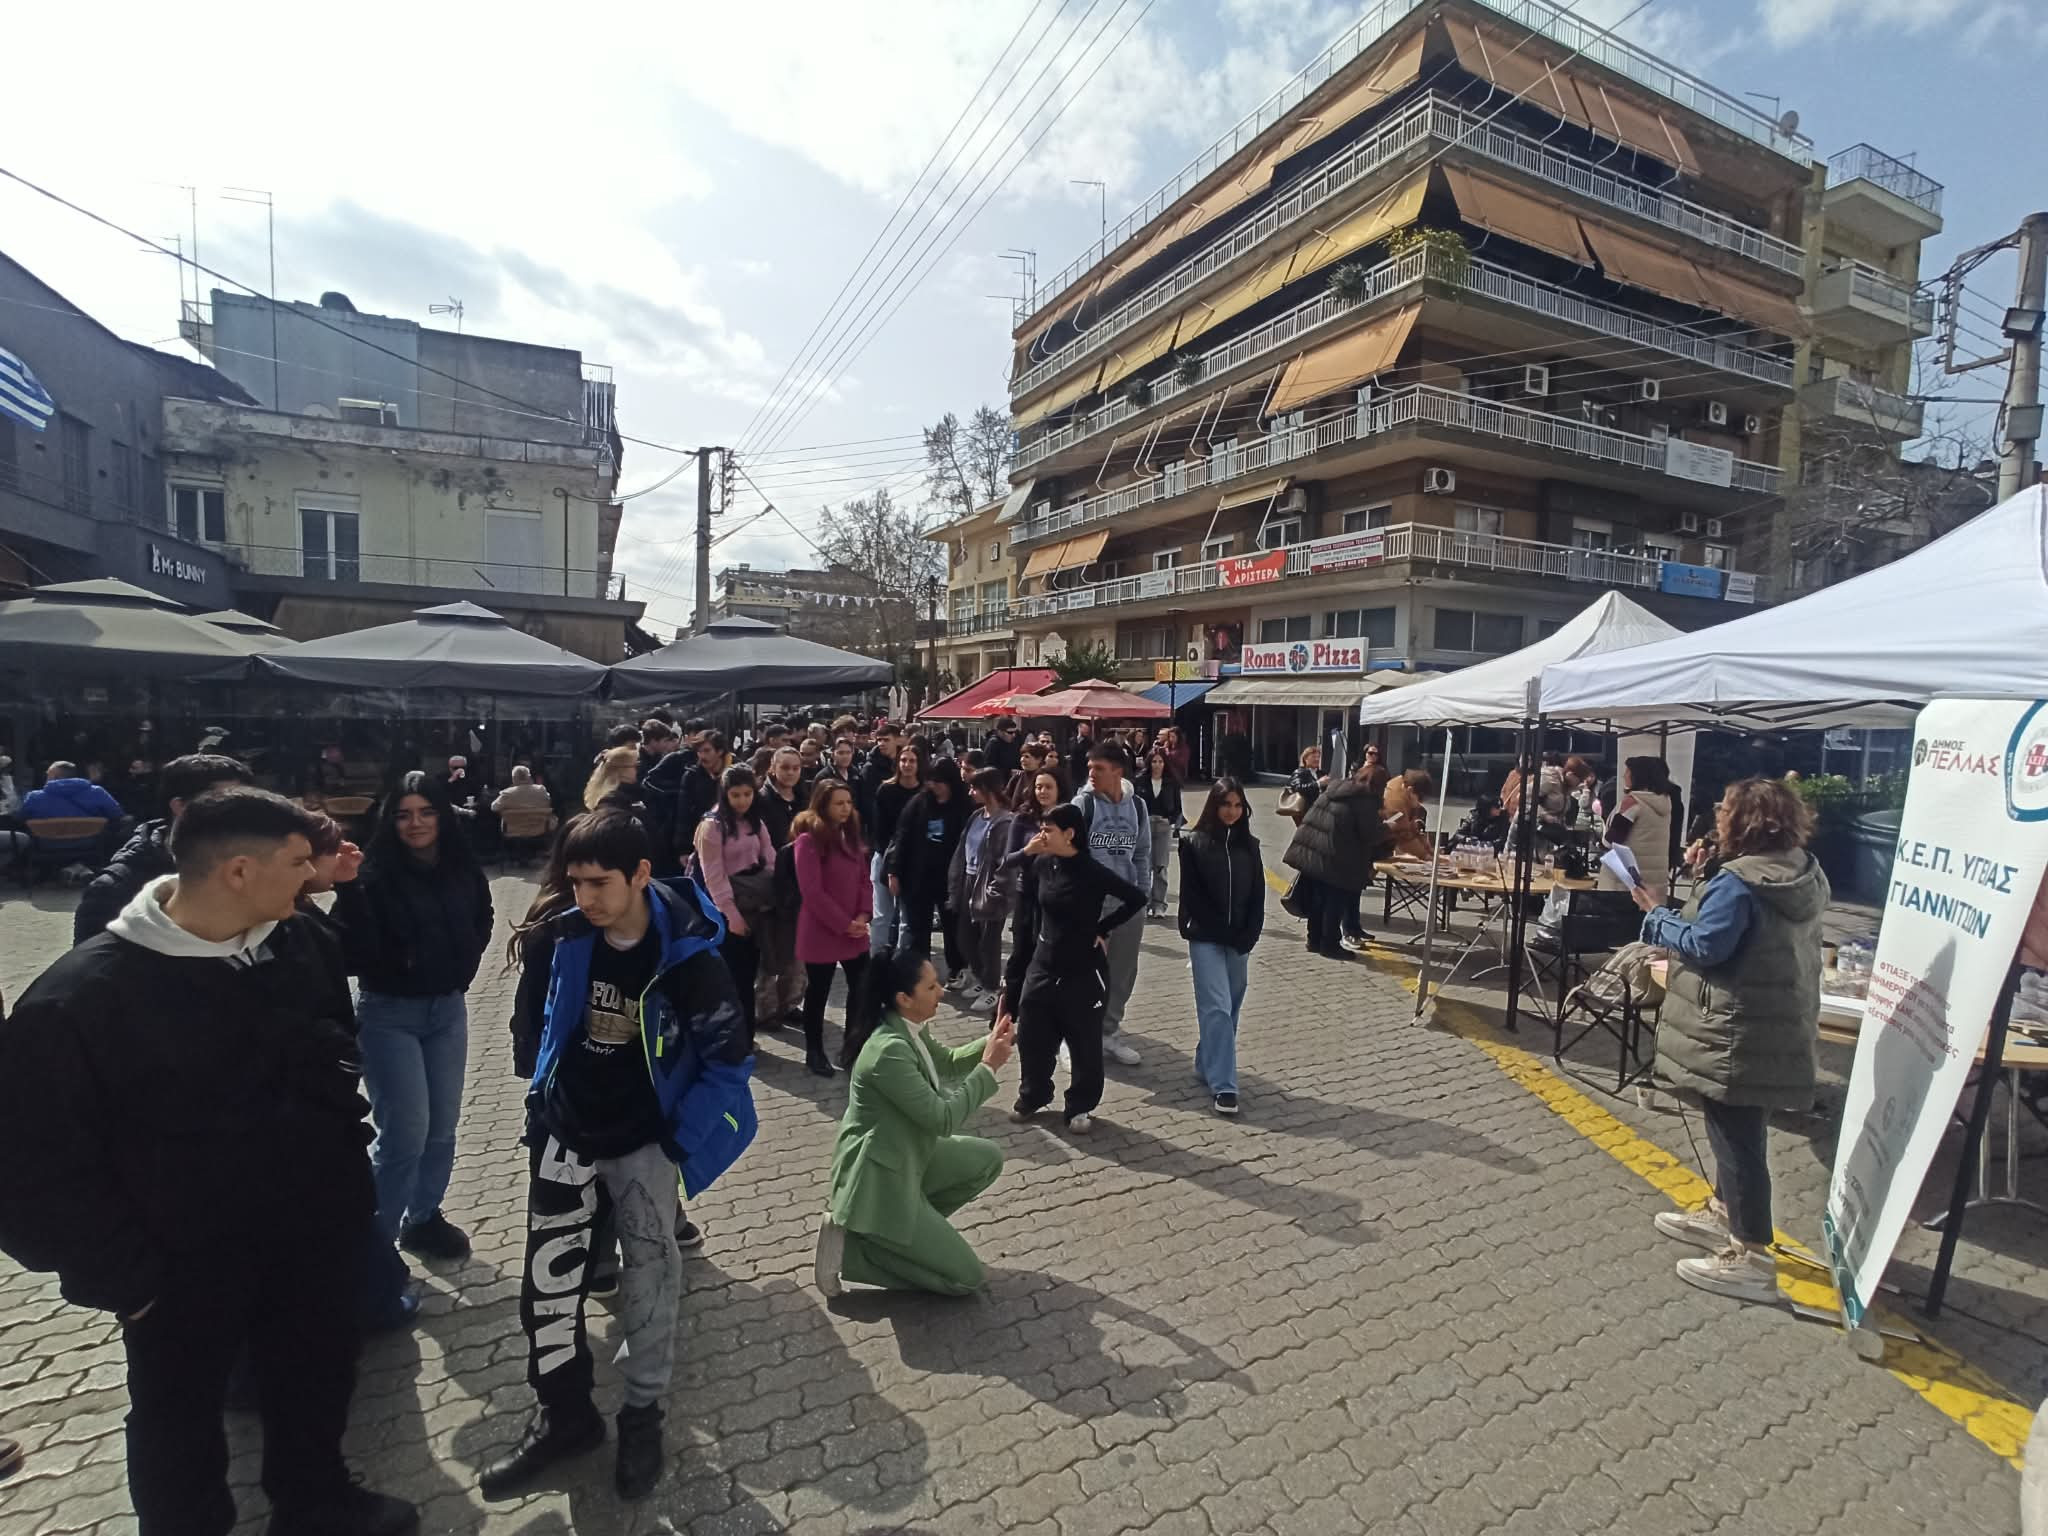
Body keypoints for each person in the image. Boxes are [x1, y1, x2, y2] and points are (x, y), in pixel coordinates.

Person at [0, 788, 416, 1536]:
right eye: (299, 861)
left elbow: (331, 1061)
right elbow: (33, 1173)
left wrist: (345, 1206)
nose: (315, 875)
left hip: (311, 1237)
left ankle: (315, 1502)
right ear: (238, 871)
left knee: (315, 1377)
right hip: (178, 1269)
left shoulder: (302, 943)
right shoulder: (80, 999)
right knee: (178, 1422)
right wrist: (129, 1282)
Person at [489, 812, 753, 1502]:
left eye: (598, 883)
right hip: (565, 1133)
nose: (584, 898)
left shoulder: (689, 957)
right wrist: (541, 1101)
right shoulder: (565, 935)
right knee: (549, 1285)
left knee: (650, 1281)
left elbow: (729, 1062)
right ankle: (565, 1416)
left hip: (644, 1146)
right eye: (574, 882)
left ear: (640, 874)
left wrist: (675, 1143)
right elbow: (545, 1020)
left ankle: (642, 1413)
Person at [1635, 777, 1826, 1304]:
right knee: (1740, 1126)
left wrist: (1656, 915)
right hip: (1775, 1019)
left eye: (1724, 810)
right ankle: (1725, 1211)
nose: (1717, 815)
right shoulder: (1802, 870)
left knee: (1736, 1137)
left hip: (1734, 1026)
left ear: (1742, 821)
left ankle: (1752, 1256)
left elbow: (1707, 944)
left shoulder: (1740, 882)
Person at [332, 772, 493, 1266]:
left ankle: (422, 1218)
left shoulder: (461, 865)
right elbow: (351, 952)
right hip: (389, 1014)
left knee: (442, 1127)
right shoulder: (372, 875)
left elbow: (483, 917)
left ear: (443, 816)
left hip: (447, 1010)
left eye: (426, 812)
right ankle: (374, 1246)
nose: (416, 823)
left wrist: (463, 967)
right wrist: (348, 889)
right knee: (406, 1133)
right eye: (404, 815)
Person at [815, 950, 1014, 1297]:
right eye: (931, 987)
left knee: (988, 1159)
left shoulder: (906, 1025)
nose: (942, 992)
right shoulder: (888, 1051)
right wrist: (988, 1068)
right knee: (966, 1279)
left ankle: (898, 1235)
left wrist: (992, 1040)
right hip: (879, 1177)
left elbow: (948, 1063)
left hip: (907, 1156)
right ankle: (854, 1252)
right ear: (904, 998)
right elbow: (943, 1118)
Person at [999, 803, 1146, 1132]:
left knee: (1084, 1043)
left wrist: (1103, 928)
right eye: (1041, 829)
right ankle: (1033, 1095)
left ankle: (1080, 1106)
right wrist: (1028, 851)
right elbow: (1006, 867)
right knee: (1033, 1036)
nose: (1042, 835)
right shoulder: (1043, 863)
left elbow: (1136, 898)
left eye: (1048, 830)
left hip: (1082, 972)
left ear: (1069, 834)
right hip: (1043, 966)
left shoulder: (1092, 872)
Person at [73, 752, 251, 944]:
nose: (243, 815)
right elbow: (93, 959)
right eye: (228, 803)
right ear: (180, 806)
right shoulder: (117, 889)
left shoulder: (259, 871)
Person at [1178, 778, 1263, 1116]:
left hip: (1240, 940)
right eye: (1226, 804)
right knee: (1216, 1007)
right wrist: (1221, 932)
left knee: (1232, 1006)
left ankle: (1206, 1061)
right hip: (1206, 938)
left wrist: (1251, 933)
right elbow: (1192, 897)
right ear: (1214, 805)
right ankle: (1225, 1085)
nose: (1232, 811)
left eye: (1238, 805)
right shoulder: (1193, 843)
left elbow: (1258, 894)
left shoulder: (1250, 845)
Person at [1071, 742, 1150, 1066]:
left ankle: (1108, 1032)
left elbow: (1142, 854)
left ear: (1118, 771)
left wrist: (1141, 896)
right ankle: (1074, 1039)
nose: (1091, 774)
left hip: (1127, 907)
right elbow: (1070, 858)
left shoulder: (1138, 807)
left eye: (1099, 768)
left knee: (1121, 974)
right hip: (1092, 908)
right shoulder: (1082, 805)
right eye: (1090, 767)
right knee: (1083, 974)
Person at [693, 764, 776, 1045]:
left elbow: (770, 859)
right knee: (733, 978)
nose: (742, 801)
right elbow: (714, 876)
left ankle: (747, 1036)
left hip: (755, 904)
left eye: (747, 794)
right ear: (725, 793)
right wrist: (731, 916)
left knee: (749, 975)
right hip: (725, 908)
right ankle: (734, 1038)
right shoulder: (712, 826)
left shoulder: (755, 821)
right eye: (736, 795)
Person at [793, 780, 872, 1076]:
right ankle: (814, 1051)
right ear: (823, 805)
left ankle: (852, 1047)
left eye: (848, 803)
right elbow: (812, 892)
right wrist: (843, 923)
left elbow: (864, 879)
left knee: (862, 988)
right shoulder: (808, 840)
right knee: (818, 993)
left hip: (855, 929)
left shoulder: (850, 836)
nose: (845, 809)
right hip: (822, 929)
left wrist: (863, 916)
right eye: (839, 803)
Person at [1283, 762, 1387, 959]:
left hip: (1314, 851)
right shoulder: (1365, 799)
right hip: (1337, 858)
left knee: (1318, 901)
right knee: (1334, 903)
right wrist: (1391, 828)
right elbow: (1370, 834)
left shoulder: (1337, 788)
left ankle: (1314, 940)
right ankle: (1330, 945)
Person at [887, 756, 968, 985]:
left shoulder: (963, 806)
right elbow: (902, 837)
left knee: (952, 927)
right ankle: (921, 972)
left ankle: (957, 968)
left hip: (950, 878)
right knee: (918, 929)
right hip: (918, 876)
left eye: (939, 782)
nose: (934, 786)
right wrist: (894, 871)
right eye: (931, 781)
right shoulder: (918, 803)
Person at [949, 767, 1015, 1015]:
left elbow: (1006, 862)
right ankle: (981, 977)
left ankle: (992, 987)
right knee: (965, 937)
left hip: (990, 885)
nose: (970, 792)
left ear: (988, 789)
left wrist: (996, 890)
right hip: (969, 880)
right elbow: (962, 850)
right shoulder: (976, 816)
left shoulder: (1005, 822)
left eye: (974, 788)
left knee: (989, 941)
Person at [754, 749, 809, 1031]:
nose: (790, 773)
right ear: (773, 769)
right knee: (768, 951)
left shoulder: (803, 798)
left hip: (800, 882)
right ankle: (764, 1009)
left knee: (797, 949)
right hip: (770, 881)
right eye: (785, 767)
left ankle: (790, 1003)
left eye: (795, 768)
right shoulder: (761, 800)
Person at [1600, 756, 1683, 902]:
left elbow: (1612, 840)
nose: (1624, 776)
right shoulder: (1665, 801)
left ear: (1637, 776)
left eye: (1627, 772)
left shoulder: (1632, 803)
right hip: (1654, 881)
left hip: (1625, 882)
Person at [869, 742, 924, 956]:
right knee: (882, 915)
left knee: (906, 918)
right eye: (903, 760)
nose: (907, 765)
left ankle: (902, 962)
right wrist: (892, 863)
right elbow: (879, 831)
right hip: (884, 856)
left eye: (912, 761)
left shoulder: (924, 792)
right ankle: (877, 960)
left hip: (913, 860)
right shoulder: (886, 789)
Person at [1134, 748, 1183, 918]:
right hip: (1145, 826)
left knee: (1161, 867)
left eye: (1160, 761)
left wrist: (1171, 821)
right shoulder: (1140, 781)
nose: (1157, 765)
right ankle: (1144, 902)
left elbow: (1178, 808)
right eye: (1154, 761)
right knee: (1144, 866)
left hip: (1163, 826)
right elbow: (1134, 805)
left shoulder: (1171, 783)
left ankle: (1159, 904)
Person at [22, 759, 126, 823]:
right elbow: (117, 814)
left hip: (45, 846)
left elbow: (20, 818)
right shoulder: (97, 792)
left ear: (54, 777)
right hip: (90, 845)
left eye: (47, 775)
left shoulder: (34, 797)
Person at [1382, 768, 1434, 862]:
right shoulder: (1395, 801)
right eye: (1420, 799)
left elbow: (1413, 829)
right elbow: (1404, 835)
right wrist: (1425, 856)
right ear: (1410, 790)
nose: (1420, 803)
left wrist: (1430, 851)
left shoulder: (1406, 795)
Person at [584, 745, 643, 815]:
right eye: (636, 766)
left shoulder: (607, 794)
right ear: (621, 770)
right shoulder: (615, 799)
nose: (639, 769)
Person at [1280, 746, 1325, 826]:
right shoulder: (1299, 772)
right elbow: (1298, 788)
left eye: (1318, 757)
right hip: (1304, 810)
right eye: (1313, 757)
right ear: (1305, 758)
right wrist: (1318, 783)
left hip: (1319, 810)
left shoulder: (1321, 773)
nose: (1317, 759)